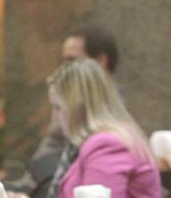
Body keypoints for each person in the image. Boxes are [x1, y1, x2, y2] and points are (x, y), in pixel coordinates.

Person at [32, 58, 161, 198]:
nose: (55, 117)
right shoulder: (114, 137)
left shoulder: (106, 143)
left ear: (78, 107)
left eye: (58, 108)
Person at [32, 24, 120, 162]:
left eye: (72, 60)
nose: (65, 68)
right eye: (64, 61)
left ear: (101, 60)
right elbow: (54, 141)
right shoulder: (63, 94)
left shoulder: (113, 135)